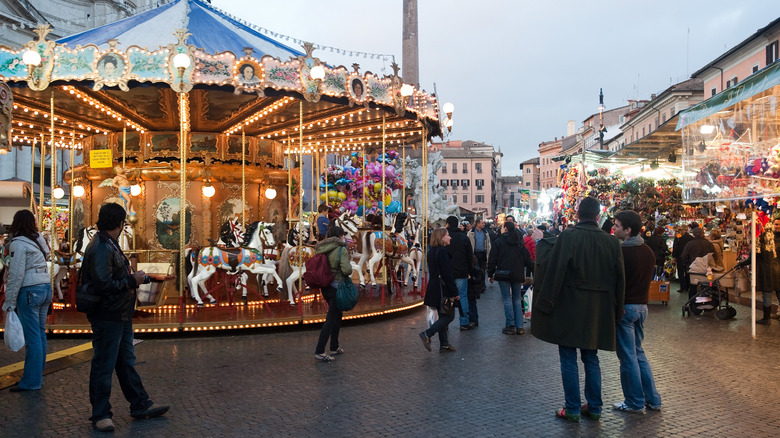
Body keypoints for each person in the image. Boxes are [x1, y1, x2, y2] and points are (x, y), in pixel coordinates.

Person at [531, 197, 625, 423]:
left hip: (570, 307)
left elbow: (554, 271)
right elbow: (620, 279)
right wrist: (618, 309)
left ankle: (572, 408)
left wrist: (546, 303)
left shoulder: (569, 237)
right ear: (597, 216)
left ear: (577, 215)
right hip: (598, 310)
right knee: (591, 357)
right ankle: (594, 407)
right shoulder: (612, 242)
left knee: (568, 357)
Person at [82, 203, 168, 432]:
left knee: (125, 362)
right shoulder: (101, 246)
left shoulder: (108, 244)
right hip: (108, 314)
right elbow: (103, 284)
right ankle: (100, 414)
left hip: (119, 313)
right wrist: (132, 281)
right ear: (120, 224)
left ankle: (140, 403)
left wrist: (139, 278)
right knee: (104, 364)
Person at [611, 210, 662, 413]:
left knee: (628, 357)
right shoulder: (647, 251)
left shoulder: (623, 253)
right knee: (638, 353)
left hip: (626, 308)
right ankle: (653, 399)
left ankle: (634, 401)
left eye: (616, 225)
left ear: (628, 229)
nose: (613, 228)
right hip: (642, 307)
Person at [2, 209, 53, 392]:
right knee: (39, 334)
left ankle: (31, 381)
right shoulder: (38, 241)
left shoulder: (18, 244)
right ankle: (35, 376)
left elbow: (16, 274)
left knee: (32, 338)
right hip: (45, 288)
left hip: (30, 290)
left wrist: (9, 302)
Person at [313, 226, 352, 361]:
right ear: (340, 236)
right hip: (337, 286)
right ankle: (319, 350)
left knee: (337, 316)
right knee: (330, 319)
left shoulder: (321, 248)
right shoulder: (341, 249)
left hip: (325, 286)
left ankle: (334, 347)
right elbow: (346, 270)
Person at [488, 221, 533, 335]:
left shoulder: (498, 241)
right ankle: (520, 326)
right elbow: (527, 259)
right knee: (517, 299)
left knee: (507, 299)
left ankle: (510, 325)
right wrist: (534, 271)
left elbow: (492, 259)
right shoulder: (519, 242)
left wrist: (490, 273)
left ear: (506, 228)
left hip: (503, 273)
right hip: (517, 273)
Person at [419, 228, 458, 353]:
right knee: (448, 316)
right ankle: (427, 334)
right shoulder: (442, 252)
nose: (450, 237)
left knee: (443, 314)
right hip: (443, 288)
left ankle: (444, 344)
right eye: (447, 235)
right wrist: (454, 292)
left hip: (434, 286)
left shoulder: (431, 252)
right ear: (441, 238)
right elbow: (447, 274)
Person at [445, 215, 474, 330]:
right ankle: (464, 322)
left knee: (447, 297)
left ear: (447, 224)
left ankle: (445, 321)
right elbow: (469, 256)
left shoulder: (444, 237)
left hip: (447, 271)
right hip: (461, 271)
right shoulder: (463, 237)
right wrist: (469, 271)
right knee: (462, 296)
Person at [679, 227, 716, 299]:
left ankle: (692, 303)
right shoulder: (709, 244)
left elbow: (684, 256)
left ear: (693, 235)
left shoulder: (690, 244)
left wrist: (687, 265)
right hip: (706, 269)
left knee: (693, 287)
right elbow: (713, 256)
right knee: (706, 287)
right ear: (703, 234)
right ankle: (706, 303)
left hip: (693, 269)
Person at [755, 218, 780, 325]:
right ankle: (766, 317)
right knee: (769, 293)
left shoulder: (771, 240)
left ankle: (766, 318)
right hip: (771, 270)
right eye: (775, 224)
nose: (776, 226)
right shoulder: (770, 238)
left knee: (770, 293)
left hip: (773, 270)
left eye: (778, 224)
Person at [467, 218, 491, 284]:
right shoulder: (471, 232)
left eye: (484, 223)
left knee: (483, 269)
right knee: (476, 269)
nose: (484, 224)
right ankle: (477, 284)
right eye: (482, 223)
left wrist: (488, 254)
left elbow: (488, 244)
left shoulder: (485, 233)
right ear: (477, 223)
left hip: (483, 253)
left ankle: (483, 284)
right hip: (475, 253)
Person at [672, 225, 693, 293]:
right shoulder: (691, 238)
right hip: (688, 257)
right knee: (687, 272)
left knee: (680, 272)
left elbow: (675, 247)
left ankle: (682, 287)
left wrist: (674, 257)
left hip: (680, 257)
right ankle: (688, 287)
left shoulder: (678, 237)